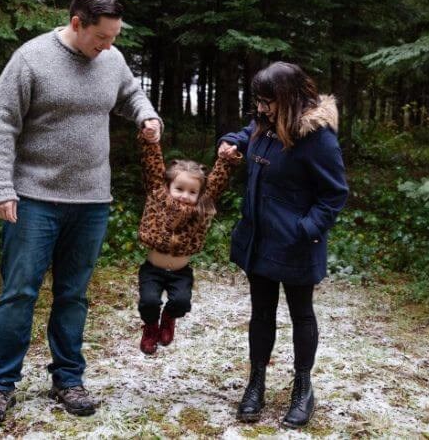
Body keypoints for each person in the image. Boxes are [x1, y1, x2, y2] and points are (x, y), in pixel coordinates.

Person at [0, 0, 163, 426]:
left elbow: (130, 94)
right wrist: (2, 187)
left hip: (92, 201)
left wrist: (147, 114)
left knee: (73, 295)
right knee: (20, 292)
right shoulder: (30, 59)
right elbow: (3, 124)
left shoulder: (111, 60)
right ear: (77, 24)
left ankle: (68, 379)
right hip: (34, 199)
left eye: (114, 37)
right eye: (102, 37)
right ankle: (0, 385)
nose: (108, 46)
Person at [218, 62, 348, 429]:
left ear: (288, 99)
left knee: (300, 313)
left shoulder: (317, 137)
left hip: (295, 245)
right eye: (258, 100)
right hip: (259, 240)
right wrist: (231, 143)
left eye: (267, 101)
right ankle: (255, 383)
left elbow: (334, 194)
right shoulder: (265, 123)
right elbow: (247, 133)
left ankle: (303, 388)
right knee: (261, 313)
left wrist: (303, 230)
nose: (260, 108)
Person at [136, 127, 241, 354]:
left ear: (199, 194)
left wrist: (226, 161)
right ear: (168, 186)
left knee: (182, 302)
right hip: (152, 269)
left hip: (180, 272)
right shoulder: (158, 195)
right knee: (148, 302)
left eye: (192, 192)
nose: (185, 195)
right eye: (179, 189)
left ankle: (169, 318)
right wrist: (150, 142)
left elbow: (215, 184)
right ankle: (151, 327)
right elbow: (153, 166)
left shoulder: (201, 208)